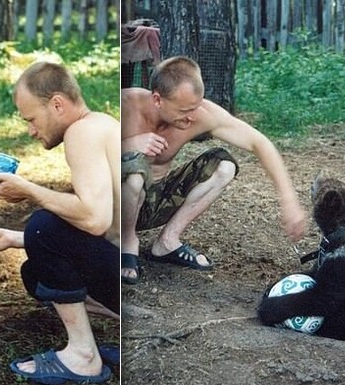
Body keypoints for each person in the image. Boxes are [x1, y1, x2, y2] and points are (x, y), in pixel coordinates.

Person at [0, 62, 120, 385]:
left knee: (43, 225)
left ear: (57, 104)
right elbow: (94, 226)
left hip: (120, 275)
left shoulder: (81, 133)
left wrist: (27, 190)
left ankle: (84, 357)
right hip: (123, 273)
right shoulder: (101, 124)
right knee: (35, 273)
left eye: (31, 119)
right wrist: (16, 238)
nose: (30, 130)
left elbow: (95, 220)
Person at [121, 56, 306, 284]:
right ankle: (127, 243)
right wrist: (129, 145)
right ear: (158, 100)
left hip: (154, 202)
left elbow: (260, 143)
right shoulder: (126, 105)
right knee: (134, 168)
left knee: (224, 165)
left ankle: (167, 242)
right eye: (184, 110)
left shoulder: (200, 114)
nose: (192, 116)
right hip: (116, 208)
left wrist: (289, 200)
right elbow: (91, 154)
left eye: (195, 107)